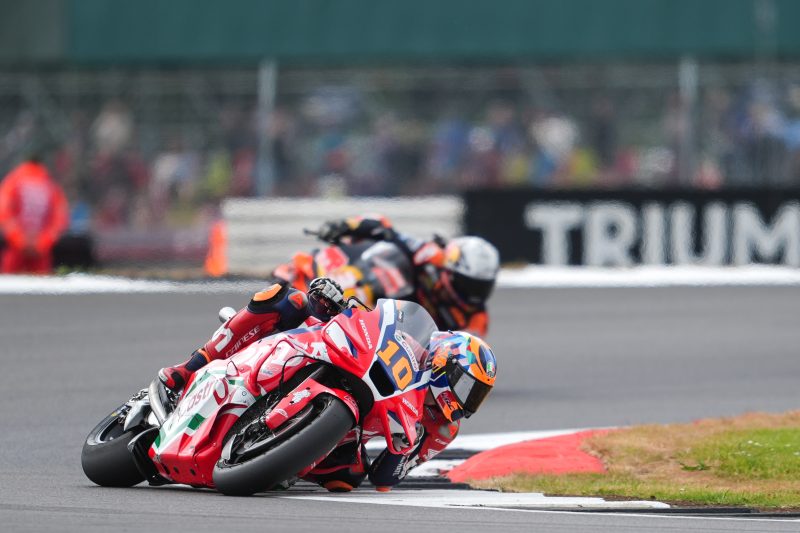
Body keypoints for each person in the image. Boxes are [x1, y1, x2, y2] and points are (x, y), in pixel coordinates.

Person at [159, 277, 497, 492]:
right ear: (443, 362)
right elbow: (370, 321)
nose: (466, 401)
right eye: (466, 386)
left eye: (476, 395)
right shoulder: (412, 341)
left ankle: (277, 461)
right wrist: (333, 301)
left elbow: (385, 477)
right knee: (285, 299)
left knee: (348, 477)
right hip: (328, 352)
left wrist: (404, 448)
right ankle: (188, 368)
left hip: (350, 427)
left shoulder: (442, 430)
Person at [301, 215, 501, 337]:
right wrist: (346, 226)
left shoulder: (476, 319)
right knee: (386, 265)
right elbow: (385, 228)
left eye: (481, 287)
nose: (474, 294)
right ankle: (326, 301)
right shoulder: (432, 255)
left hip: (407, 339)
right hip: (386, 299)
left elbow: (460, 353)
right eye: (469, 284)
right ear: (450, 269)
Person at [0, 154, 69, 274]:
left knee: (8, 288)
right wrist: (42, 243)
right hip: (41, 253)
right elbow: (60, 220)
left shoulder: (13, 182)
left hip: (16, 250)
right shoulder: (50, 186)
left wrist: (20, 240)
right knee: (42, 290)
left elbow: (4, 213)